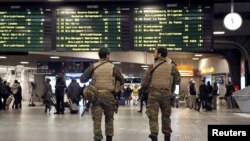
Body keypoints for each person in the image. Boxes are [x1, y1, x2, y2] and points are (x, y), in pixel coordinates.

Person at [80, 47, 124, 141]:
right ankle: (109, 138)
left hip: (96, 97)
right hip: (109, 96)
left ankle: (98, 138)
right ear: (107, 55)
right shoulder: (113, 67)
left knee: (97, 120)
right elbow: (122, 80)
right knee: (109, 118)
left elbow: (82, 79)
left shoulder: (93, 66)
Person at [141, 47, 181, 141]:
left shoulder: (152, 66)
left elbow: (144, 83)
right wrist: (171, 90)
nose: (154, 54)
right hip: (166, 95)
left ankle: (154, 136)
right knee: (166, 117)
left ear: (159, 55)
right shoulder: (172, 67)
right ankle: (167, 138)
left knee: (153, 117)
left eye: (155, 53)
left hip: (153, 95)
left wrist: (146, 90)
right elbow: (178, 80)